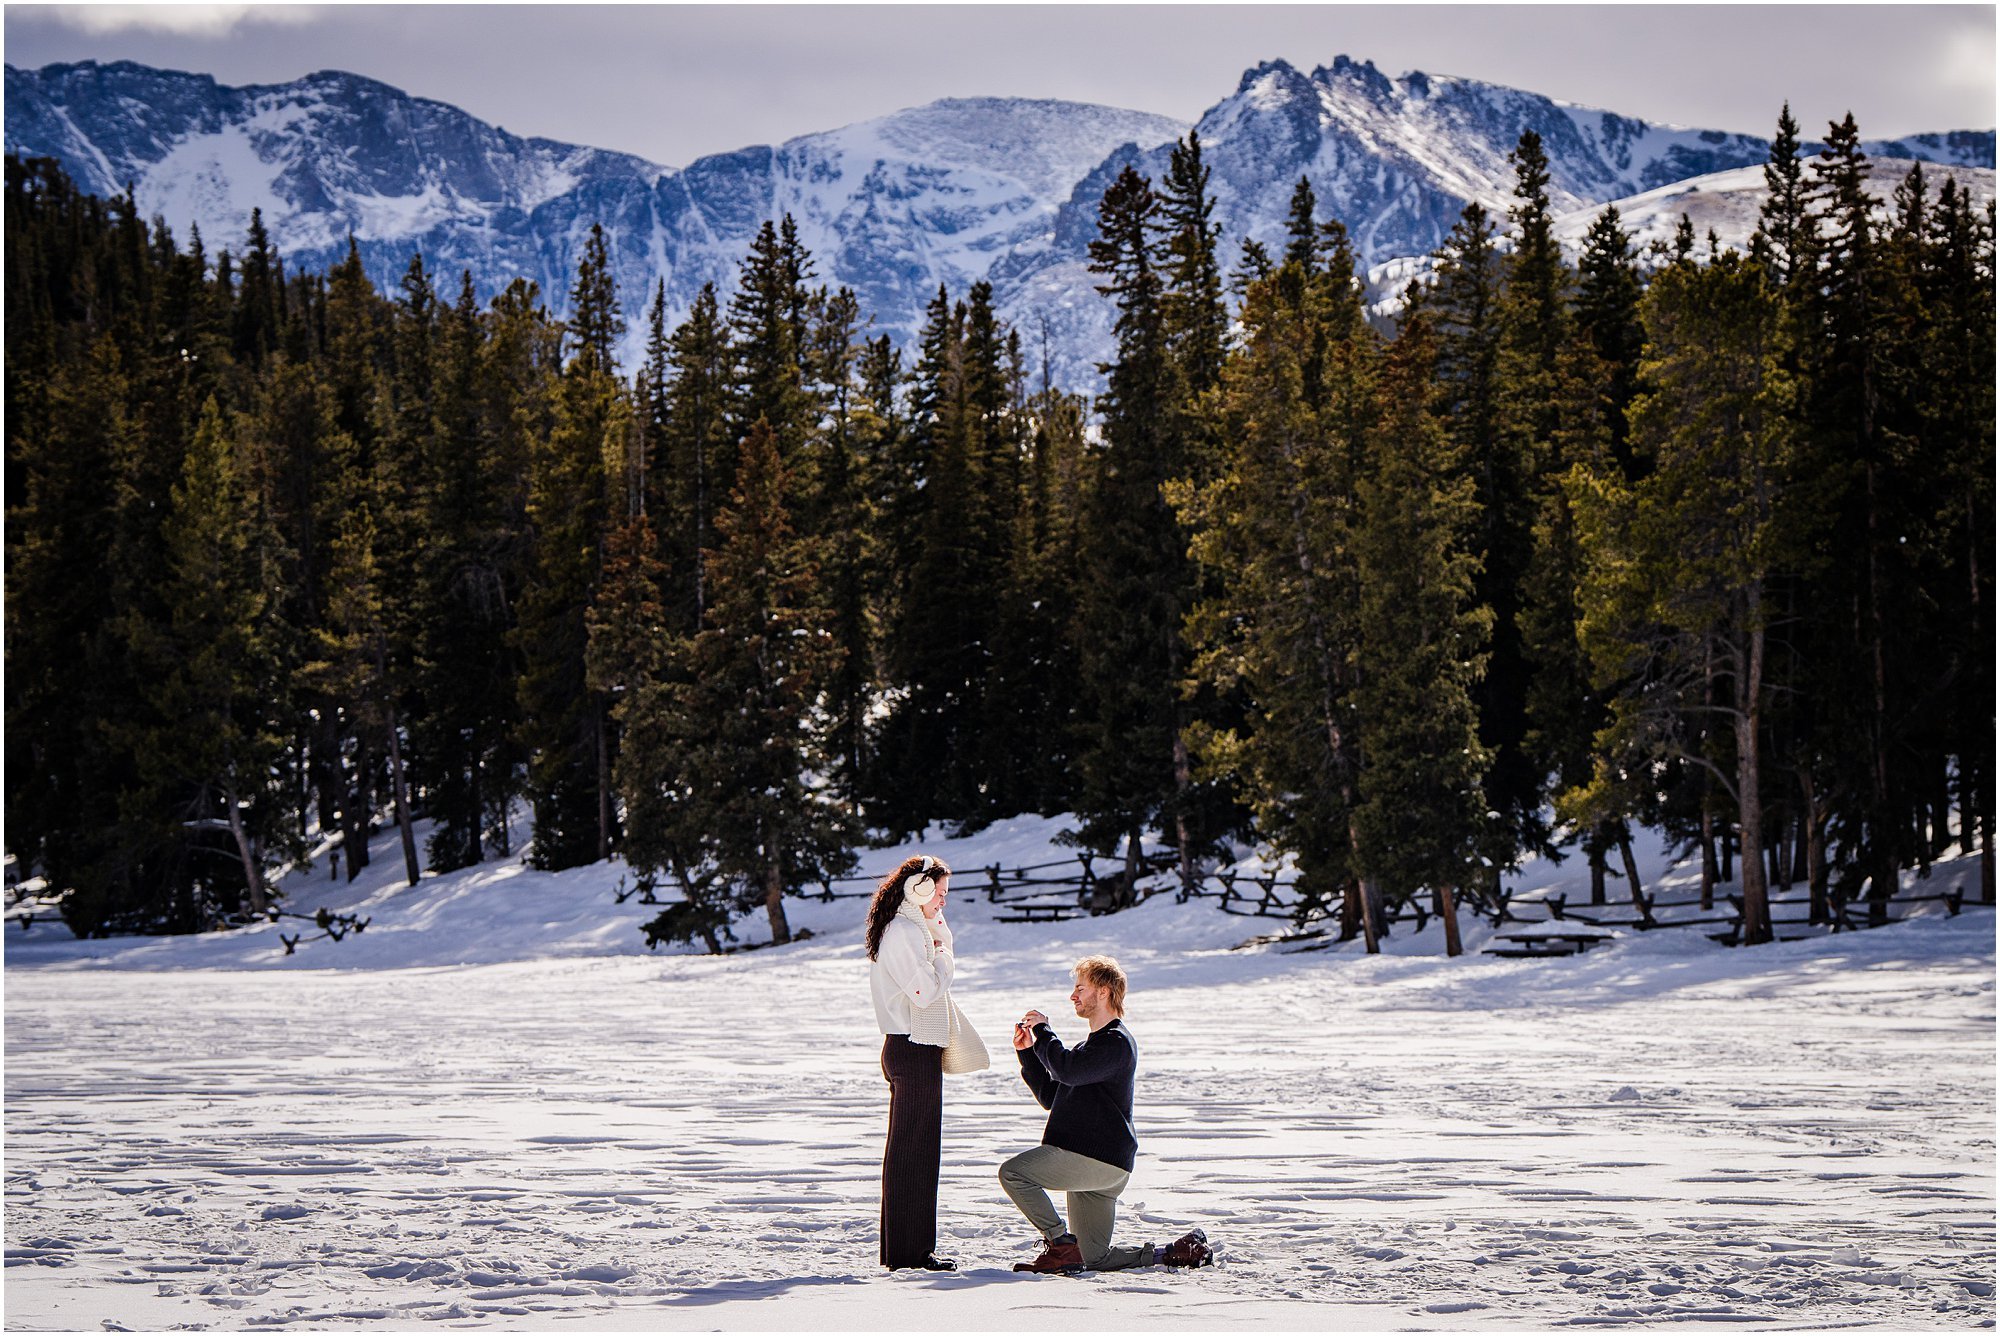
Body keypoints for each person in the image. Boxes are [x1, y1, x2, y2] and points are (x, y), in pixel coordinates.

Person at [1001, 955, 1213, 1273]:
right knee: (1093, 1258)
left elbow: (1068, 1070)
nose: (1073, 996)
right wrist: (1028, 1054)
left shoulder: (1116, 1042)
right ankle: (1176, 1253)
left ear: (1103, 991)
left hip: (1094, 1157)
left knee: (1014, 1173)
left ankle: (1060, 1244)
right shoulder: (1091, 1048)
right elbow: (1051, 1096)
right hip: (1102, 1164)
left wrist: (1043, 1031)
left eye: (1080, 988)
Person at [866, 854, 961, 1271]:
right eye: (938, 892)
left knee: (916, 1150)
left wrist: (938, 935)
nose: (942, 901)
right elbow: (924, 991)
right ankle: (910, 1255)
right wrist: (944, 957)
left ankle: (909, 1251)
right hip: (911, 1046)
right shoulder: (903, 932)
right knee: (912, 1153)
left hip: (916, 1046)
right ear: (917, 889)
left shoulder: (911, 928)